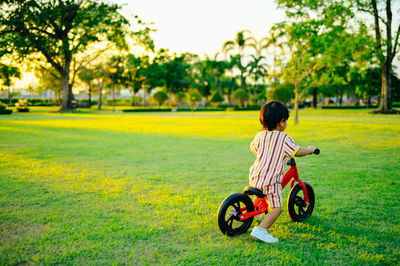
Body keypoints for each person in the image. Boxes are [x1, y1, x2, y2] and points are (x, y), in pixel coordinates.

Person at [249, 101, 317, 243]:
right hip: (271, 179)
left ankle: (253, 210)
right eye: (286, 120)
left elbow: (254, 148)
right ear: (281, 122)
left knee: (260, 190)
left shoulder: (260, 135)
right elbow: (297, 152)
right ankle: (260, 230)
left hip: (255, 176)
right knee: (276, 209)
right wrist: (310, 150)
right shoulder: (284, 138)